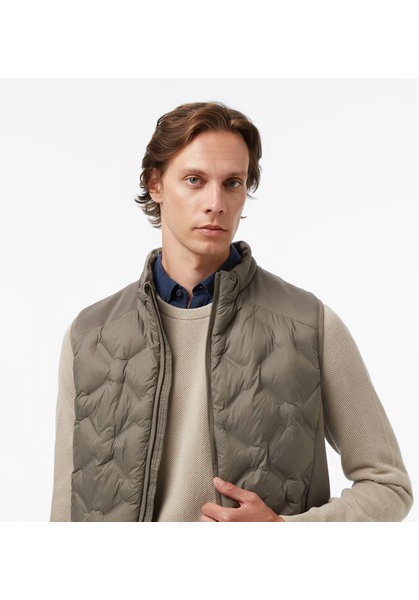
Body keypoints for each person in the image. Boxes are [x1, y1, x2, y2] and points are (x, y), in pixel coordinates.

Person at [50, 101, 413, 522]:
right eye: (194, 180)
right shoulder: (90, 335)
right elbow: (64, 512)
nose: (216, 203)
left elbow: (389, 486)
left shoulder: (310, 326)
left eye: (232, 183)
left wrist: (286, 531)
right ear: (155, 184)